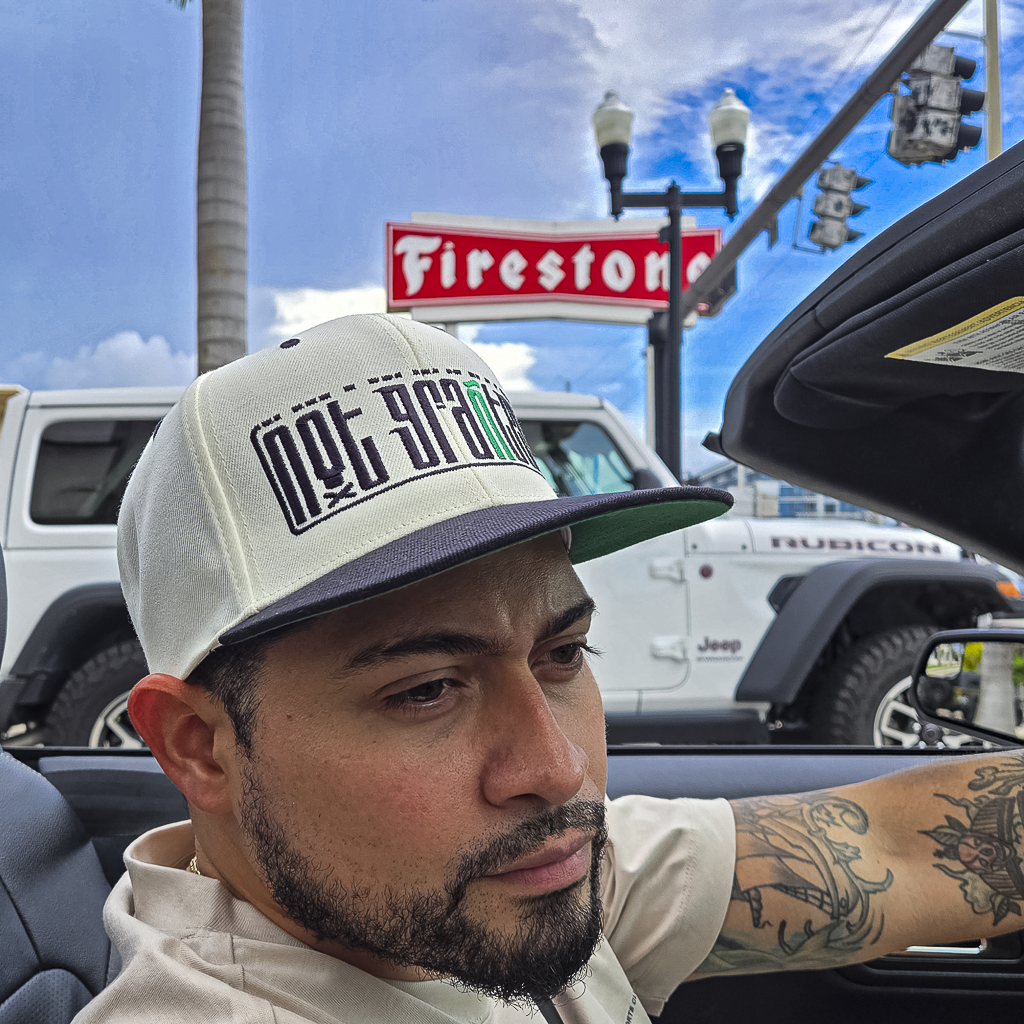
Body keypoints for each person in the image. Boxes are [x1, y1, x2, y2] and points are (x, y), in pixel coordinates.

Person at [77, 315, 1024, 1024]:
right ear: (200, 746)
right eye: (425, 690)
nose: (557, 770)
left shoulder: (509, 884)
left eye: (562, 653)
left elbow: (898, 849)